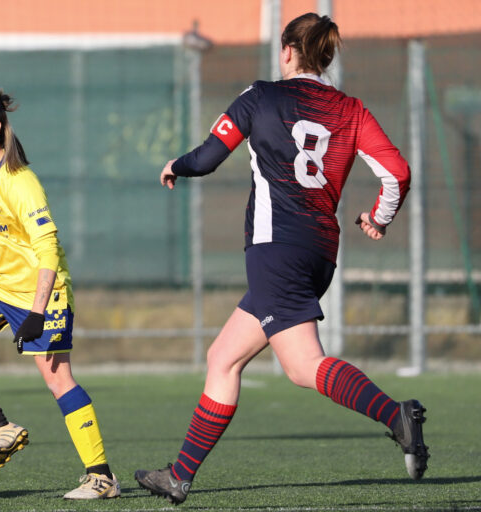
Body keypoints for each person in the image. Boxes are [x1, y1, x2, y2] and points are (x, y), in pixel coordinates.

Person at [135, 13, 428, 505]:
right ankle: (179, 476)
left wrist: (175, 165)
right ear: (327, 57)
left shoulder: (261, 95)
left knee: (302, 366)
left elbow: (207, 158)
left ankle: (394, 415)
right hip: (320, 253)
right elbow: (396, 172)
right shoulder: (351, 109)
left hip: (275, 250)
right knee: (223, 358)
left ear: (288, 52)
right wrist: (379, 217)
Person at [0, 85, 120, 500]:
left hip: (40, 294)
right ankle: (0, 427)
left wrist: (35, 311)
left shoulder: (21, 183)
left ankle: (101, 477)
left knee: (57, 381)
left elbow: (47, 248)